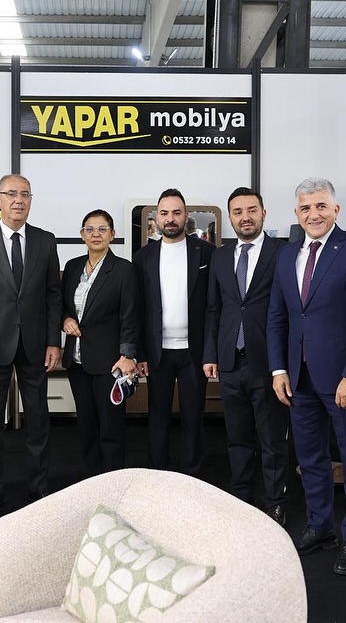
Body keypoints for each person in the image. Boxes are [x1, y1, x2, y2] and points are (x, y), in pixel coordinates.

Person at [267, 177, 346, 576]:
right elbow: (278, 316)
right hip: (298, 378)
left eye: (320, 206)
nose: (313, 214)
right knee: (310, 457)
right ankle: (320, 526)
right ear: (296, 213)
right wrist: (279, 369)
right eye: (305, 208)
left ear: (336, 209)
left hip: (343, 381)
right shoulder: (287, 255)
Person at [0, 174, 62, 521]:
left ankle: (38, 488)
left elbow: (53, 295)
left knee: (38, 421)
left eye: (25, 194)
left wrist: (54, 341)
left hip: (36, 345)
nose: (19, 200)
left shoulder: (45, 241)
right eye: (11, 194)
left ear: (30, 200)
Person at [204, 188, 289, 524]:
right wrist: (210, 354)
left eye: (252, 210)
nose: (245, 217)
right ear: (230, 218)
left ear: (263, 214)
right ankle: (241, 498)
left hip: (268, 362)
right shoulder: (220, 256)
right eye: (238, 212)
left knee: (271, 439)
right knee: (237, 438)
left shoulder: (282, 253)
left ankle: (275, 502)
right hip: (229, 361)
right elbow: (214, 308)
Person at [134, 188, 215, 476]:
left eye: (176, 213)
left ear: (186, 216)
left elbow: (213, 306)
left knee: (194, 417)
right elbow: (138, 309)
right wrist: (140, 353)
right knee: (157, 417)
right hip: (157, 352)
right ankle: (158, 475)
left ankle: (192, 476)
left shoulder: (206, 252)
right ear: (156, 218)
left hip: (194, 350)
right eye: (165, 213)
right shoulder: (142, 257)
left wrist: (211, 352)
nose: (170, 219)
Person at [61, 209, 139, 475]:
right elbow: (62, 304)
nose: (96, 234)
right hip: (77, 362)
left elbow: (131, 315)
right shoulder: (73, 267)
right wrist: (65, 319)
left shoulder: (124, 270)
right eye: (90, 229)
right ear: (82, 235)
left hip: (110, 363)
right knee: (87, 427)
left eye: (102, 229)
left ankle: (113, 482)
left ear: (112, 234)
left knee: (111, 429)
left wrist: (127, 355)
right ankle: (93, 481)